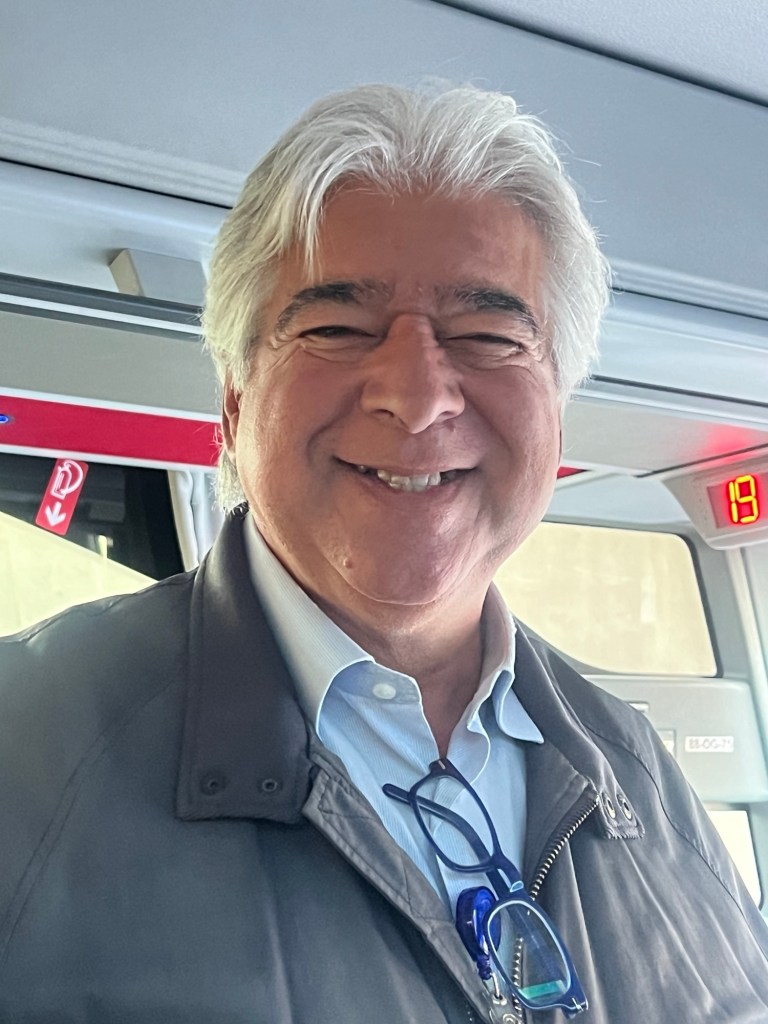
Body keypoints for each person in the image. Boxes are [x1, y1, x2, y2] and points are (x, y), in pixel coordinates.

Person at [1, 84, 767, 1024]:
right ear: (234, 405)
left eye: (488, 336)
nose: (417, 395)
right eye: (335, 328)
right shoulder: (23, 750)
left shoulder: (637, 772)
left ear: (557, 415)